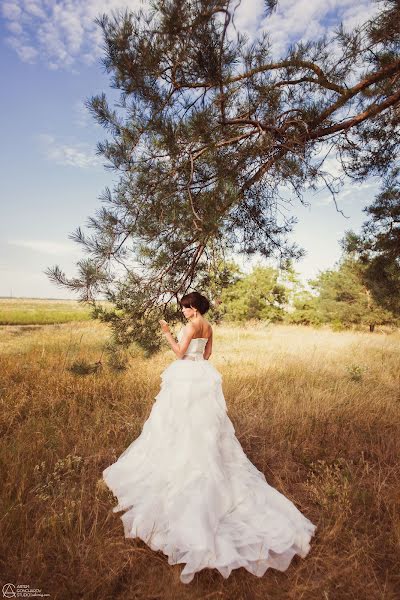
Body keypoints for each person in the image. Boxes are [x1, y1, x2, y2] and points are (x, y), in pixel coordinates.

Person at [102, 291, 317, 584]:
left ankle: (182, 462)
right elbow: (207, 355)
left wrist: (167, 334)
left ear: (194, 308)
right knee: (202, 424)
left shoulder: (192, 326)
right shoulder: (209, 326)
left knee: (178, 422)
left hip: (186, 375)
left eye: (186, 308)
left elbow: (180, 353)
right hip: (201, 373)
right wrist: (191, 354)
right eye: (183, 309)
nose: (183, 312)